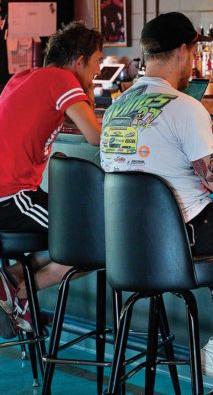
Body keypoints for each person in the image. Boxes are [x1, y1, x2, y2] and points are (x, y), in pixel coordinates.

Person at [100, 12, 213, 389]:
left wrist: (208, 137)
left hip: (128, 241)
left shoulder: (117, 106)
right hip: (183, 235)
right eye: (194, 53)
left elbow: (157, 154)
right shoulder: (183, 105)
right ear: (184, 51)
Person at [0, 21, 102, 337]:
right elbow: (94, 136)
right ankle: (20, 294)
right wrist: (85, 89)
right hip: (10, 197)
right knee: (97, 236)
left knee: (73, 235)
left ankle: (12, 281)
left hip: (11, 196)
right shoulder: (61, 79)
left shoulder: (23, 77)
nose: (99, 70)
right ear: (79, 60)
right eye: (97, 61)